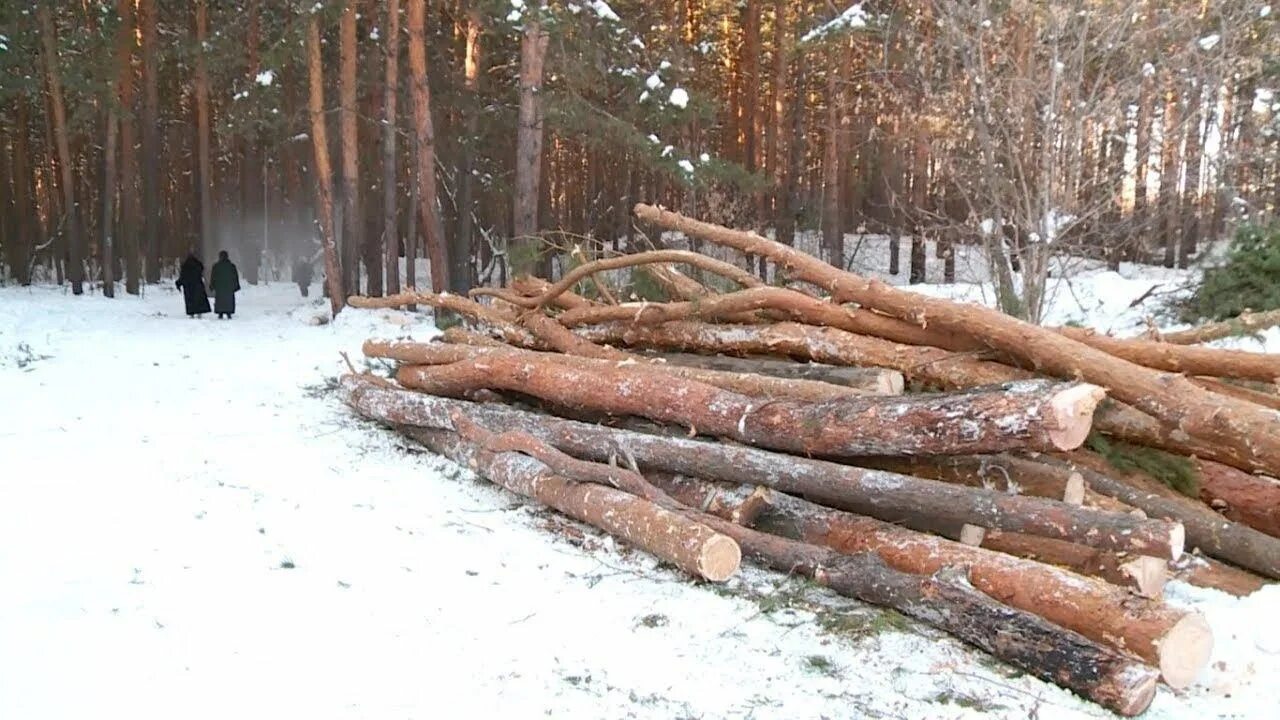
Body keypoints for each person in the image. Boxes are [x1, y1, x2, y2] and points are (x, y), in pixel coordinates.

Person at [175, 252, 212, 318]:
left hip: (188, 287)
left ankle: (191, 313)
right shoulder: (198, 265)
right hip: (198, 285)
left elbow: (183, 277)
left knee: (190, 300)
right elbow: (201, 270)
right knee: (199, 299)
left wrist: (178, 284)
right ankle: (199, 312)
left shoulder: (185, 266)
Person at [210, 250, 241, 319]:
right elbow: (235, 277)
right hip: (229, 287)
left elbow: (213, 277)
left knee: (220, 300)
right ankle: (229, 312)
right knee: (229, 300)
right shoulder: (232, 266)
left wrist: (212, 286)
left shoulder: (216, 266)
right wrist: (236, 286)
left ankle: (220, 313)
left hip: (219, 287)